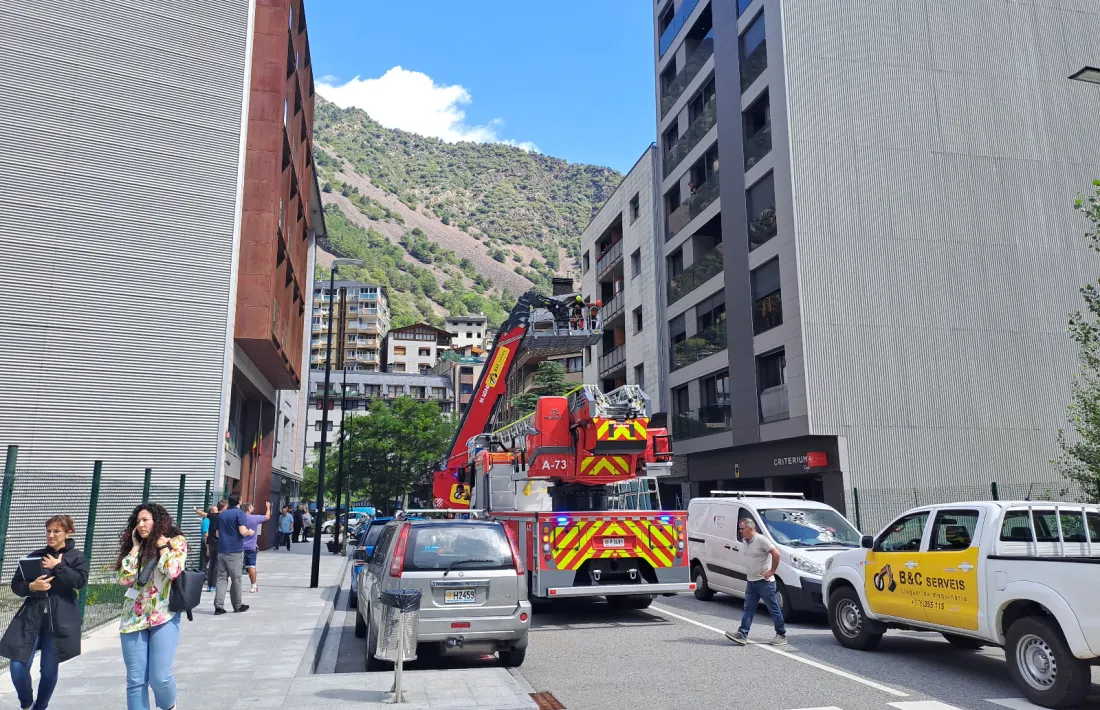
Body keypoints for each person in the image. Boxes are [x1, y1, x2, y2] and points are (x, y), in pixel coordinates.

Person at [0, 515, 89, 710]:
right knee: (17, 665)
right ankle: (26, 704)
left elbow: (79, 582)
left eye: (56, 531)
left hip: (60, 620)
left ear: (68, 533)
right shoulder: (35, 555)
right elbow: (17, 585)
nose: (51, 535)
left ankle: (40, 707)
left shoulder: (77, 557)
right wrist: (32, 586)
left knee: (48, 671)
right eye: (48, 530)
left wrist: (58, 566)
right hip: (32, 617)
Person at [116, 503, 187, 710]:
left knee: (160, 678)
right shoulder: (135, 547)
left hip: (163, 616)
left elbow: (173, 571)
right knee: (136, 681)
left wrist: (162, 546)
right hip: (133, 618)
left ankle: (168, 706)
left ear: (158, 521)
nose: (141, 524)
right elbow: (123, 578)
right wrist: (135, 549)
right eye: (138, 521)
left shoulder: (176, 542)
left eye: (145, 520)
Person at [724, 518, 787, 646]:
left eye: (742, 529)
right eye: (740, 529)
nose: (740, 531)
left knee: (773, 609)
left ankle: (781, 634)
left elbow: (776, 554)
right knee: (748, 608)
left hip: (765, 582)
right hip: (751, 582)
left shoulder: (761, 540)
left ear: (751, 529)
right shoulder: (745, 541)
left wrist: (771, 571)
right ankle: (742, 634)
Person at [214, 493, 253, 615]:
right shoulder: (240, 513)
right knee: (236, 578)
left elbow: (217, 534)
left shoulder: (221, 515)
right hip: (235, 550)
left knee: (221, 578)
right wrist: (249, 532)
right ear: (239, 501)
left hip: (222, 549)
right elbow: (242, 531)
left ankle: (219, 607)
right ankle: (237, 605)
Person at [241, 502, 271, 593]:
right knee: (251, 566)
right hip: (251, 547)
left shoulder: (238, 518)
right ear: (248, 509)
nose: (253, 509)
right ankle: (254, 586)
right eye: (251, 507)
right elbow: (267, 517)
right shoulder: (255, 518)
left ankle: (235, 586)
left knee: (236, 567)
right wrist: (268, 507)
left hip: (238, 547)